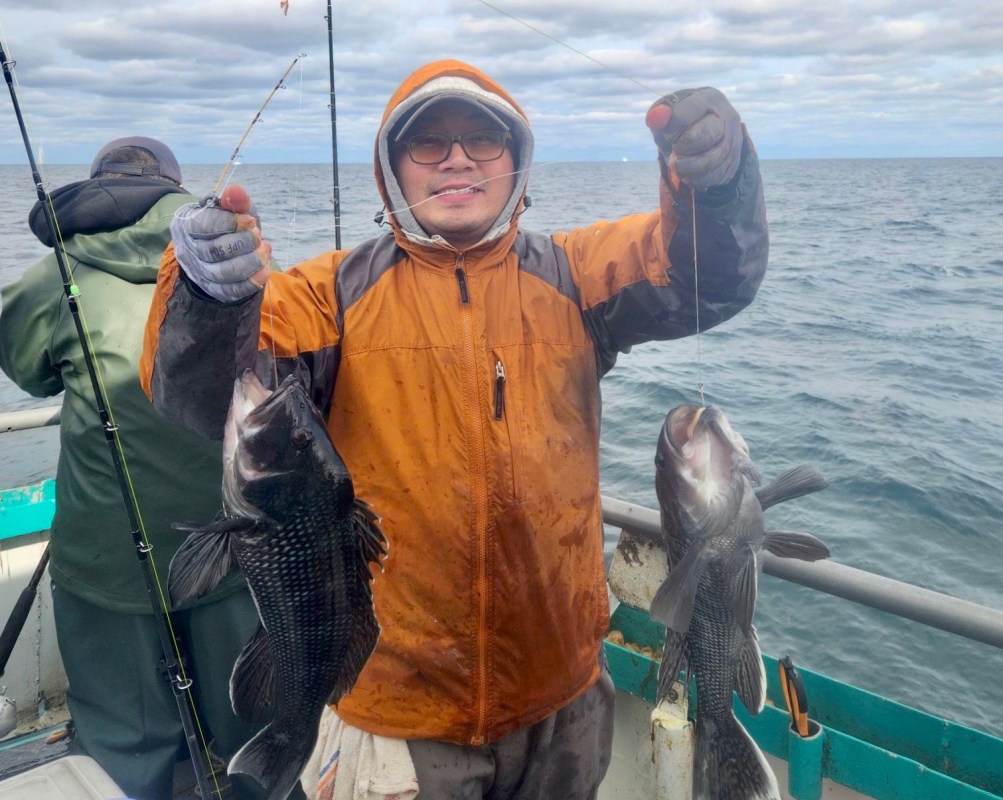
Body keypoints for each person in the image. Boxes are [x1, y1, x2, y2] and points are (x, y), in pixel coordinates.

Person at [140, 59, 769, 800]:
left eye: (482, 140)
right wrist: (207, 297)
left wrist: (717, 183)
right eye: (428, 144)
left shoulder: (573, 274)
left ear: (516, 164)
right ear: (391, 171)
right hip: (393, 710)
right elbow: (202, 393)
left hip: (562, 700)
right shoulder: (329, 294)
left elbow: (705, 276)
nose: (458, 158)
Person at [0, 138, 278, 800]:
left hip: (105, 553)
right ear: (175, 188)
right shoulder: (248, 255)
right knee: (256, 733)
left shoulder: (54, 274)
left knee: (125, 744)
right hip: (231, 549)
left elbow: (27, 370)